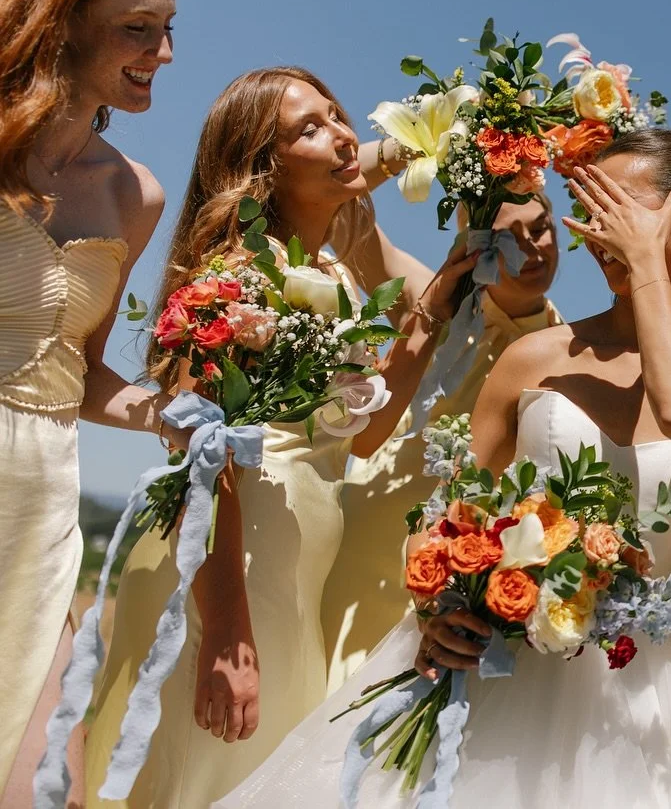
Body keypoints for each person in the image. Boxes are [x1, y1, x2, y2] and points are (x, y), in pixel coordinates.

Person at [217, 127, 671, 808]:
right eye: (591, 210)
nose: (598, 231)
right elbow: (448, 514)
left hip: (636, 697)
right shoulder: (534, 357)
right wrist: (435, 601)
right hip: (491, 662)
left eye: (619, 209)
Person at [85, 67, 475, 808]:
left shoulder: (334, 273)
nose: (339, 134)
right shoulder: (231, 281)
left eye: (338, 114)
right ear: (264, 167)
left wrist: (428, 312)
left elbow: (362, 440)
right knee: (211, 776)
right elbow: (202, 463)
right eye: (309, 128)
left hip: (301, 552)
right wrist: (228, 627)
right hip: (235, 552)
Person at [0, 0, 178, 805]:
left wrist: (164, 410)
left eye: (167, 28)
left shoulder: (133, 194)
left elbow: (83, 370)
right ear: (60, 19)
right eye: (138, 29)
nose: (164, 51)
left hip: (41, 499)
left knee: (42, 780)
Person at [322, 166, 562, 689]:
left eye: (540, 229)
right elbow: (340, 212)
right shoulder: (433, 297)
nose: (532, 247)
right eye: (506, 237)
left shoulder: (567, 347)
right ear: (473, 243)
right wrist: (419, 146)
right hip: (376, 536)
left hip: (473, 568)